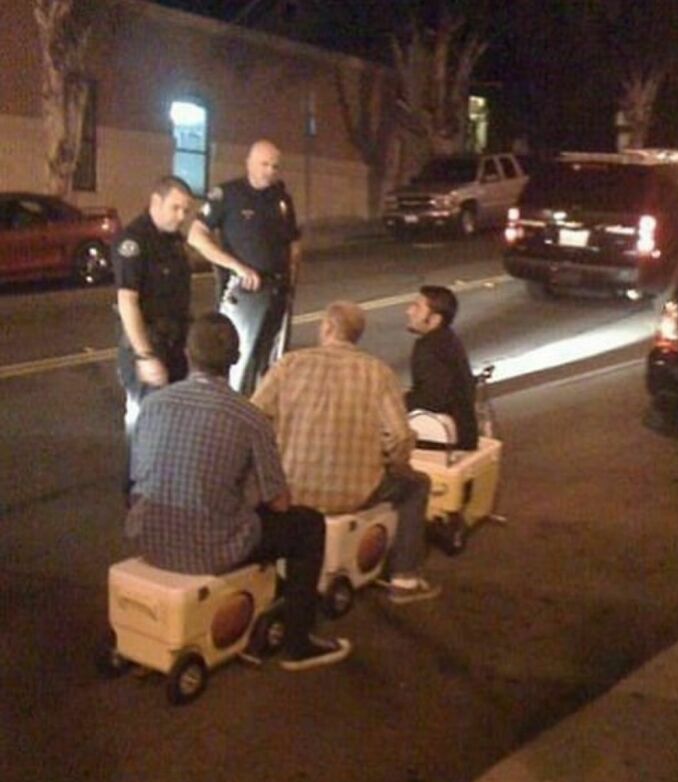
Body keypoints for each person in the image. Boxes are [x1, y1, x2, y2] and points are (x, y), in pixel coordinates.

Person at [126, 311, 351, 671]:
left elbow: (135, 478)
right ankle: (299, 640)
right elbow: (279, 502)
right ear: (235, 359)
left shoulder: (152, 405)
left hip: (148, 538)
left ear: (187, 353)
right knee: (307, 526)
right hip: (210, 549)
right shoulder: (248, 417)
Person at [252, 301, 439, 605]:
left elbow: (254, 418)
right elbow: (401, 436)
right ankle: (405, 578)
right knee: (417, 485)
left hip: (292, 490)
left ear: (326, 327)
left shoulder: (289, 365)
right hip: (356, 492)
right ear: (357, 335)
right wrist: (394, 463)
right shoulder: (378, 373)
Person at [188, 139, 301, 396]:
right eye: (264, 164)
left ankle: (261, 419)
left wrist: (293, 278)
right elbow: (196, 236)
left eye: (275, 166)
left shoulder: (281, 199)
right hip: (243, 293)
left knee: (272, 364)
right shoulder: (227, 195)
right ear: (248, 162)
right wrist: (237, 268)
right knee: (236, 362)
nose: (270, 171)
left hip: (278, 291)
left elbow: (294, 243)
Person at [113, 175, 194, 436]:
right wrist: (145, 355)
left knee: (171, 428)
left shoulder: (174, 241)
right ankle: (135, 478)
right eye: (176, 207)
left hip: (174, 346)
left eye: (185, 210)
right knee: (145, 429)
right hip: (149, 344)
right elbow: (127, 302)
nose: (182, 216)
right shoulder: (134, 241)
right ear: (155, 202)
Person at [405, 285, 478, 451]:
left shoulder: (429, 348)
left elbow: (431, 399)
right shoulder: (447, 339)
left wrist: (395, 402)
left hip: (449, 438)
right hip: (464, 430)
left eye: (417, 307)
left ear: (435, 319)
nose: (409, 311)